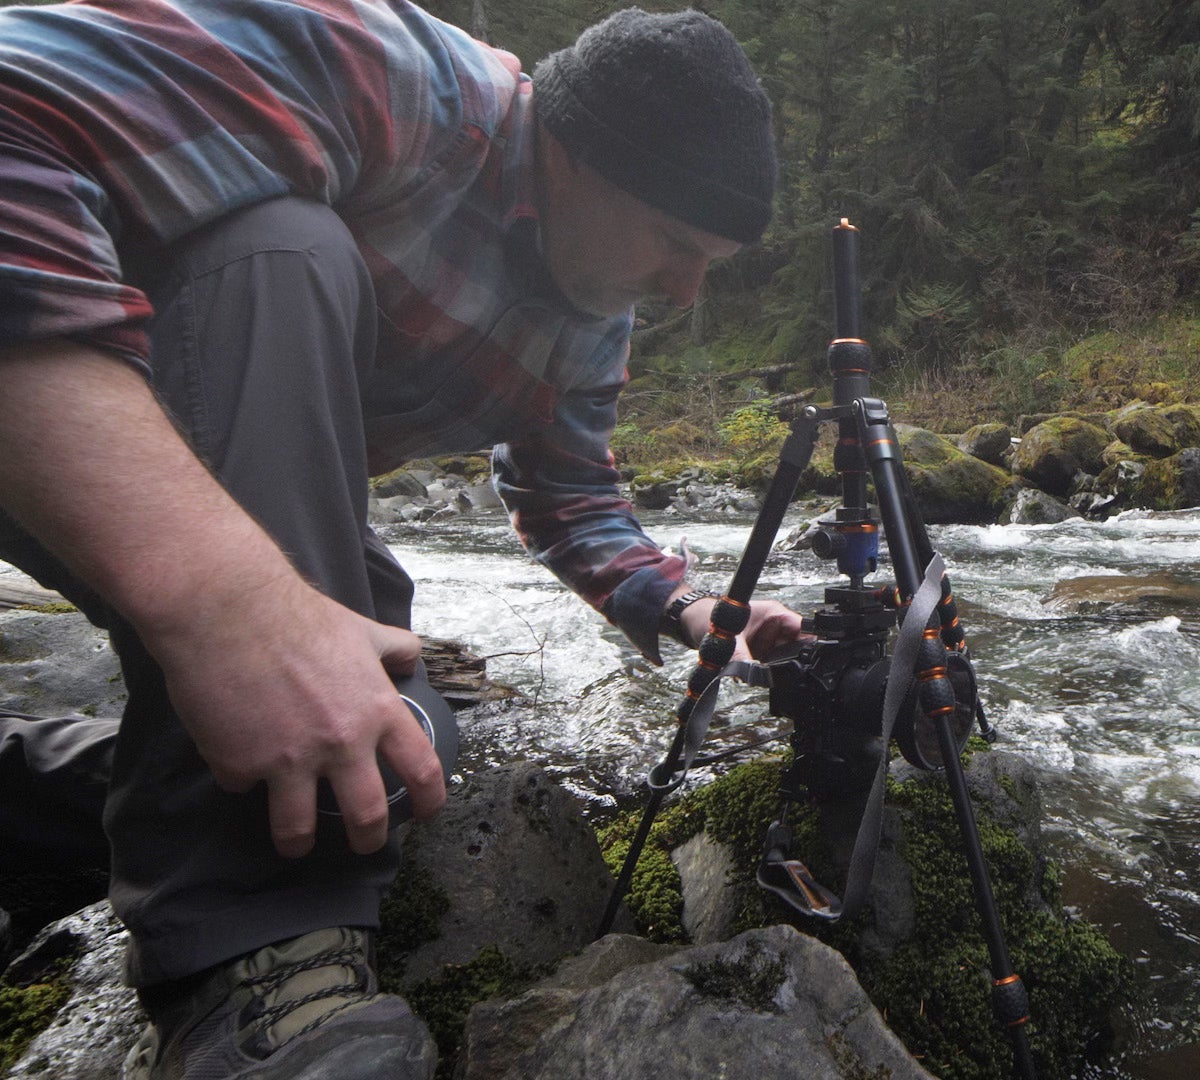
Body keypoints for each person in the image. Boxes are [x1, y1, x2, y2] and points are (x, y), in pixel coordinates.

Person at [0, 0, 802, 1075]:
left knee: (398, 734)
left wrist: (691, 609)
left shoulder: (586, 315)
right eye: (674, 242)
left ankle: (64, 797)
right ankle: (260, 956)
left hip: (213, 488)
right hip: (55, 413)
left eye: (712, 262)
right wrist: (226, 599)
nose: (685, 291)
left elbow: (572, 500)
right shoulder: (411, 83)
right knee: (280, 240)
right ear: (575, 153)